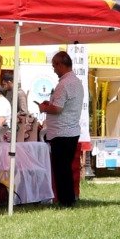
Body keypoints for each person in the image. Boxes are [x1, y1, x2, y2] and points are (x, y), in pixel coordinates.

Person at [36, 51, 84, 207]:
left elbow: (57, 109)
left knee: (61, 169)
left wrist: (44, 108)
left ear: (60, 64)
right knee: (66, 168)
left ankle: (65, 200)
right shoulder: (76, 81)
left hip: (61, 133)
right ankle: (68, 199)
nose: (54, 69)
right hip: (71, 131)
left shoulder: (63, 84)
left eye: (54, 66)